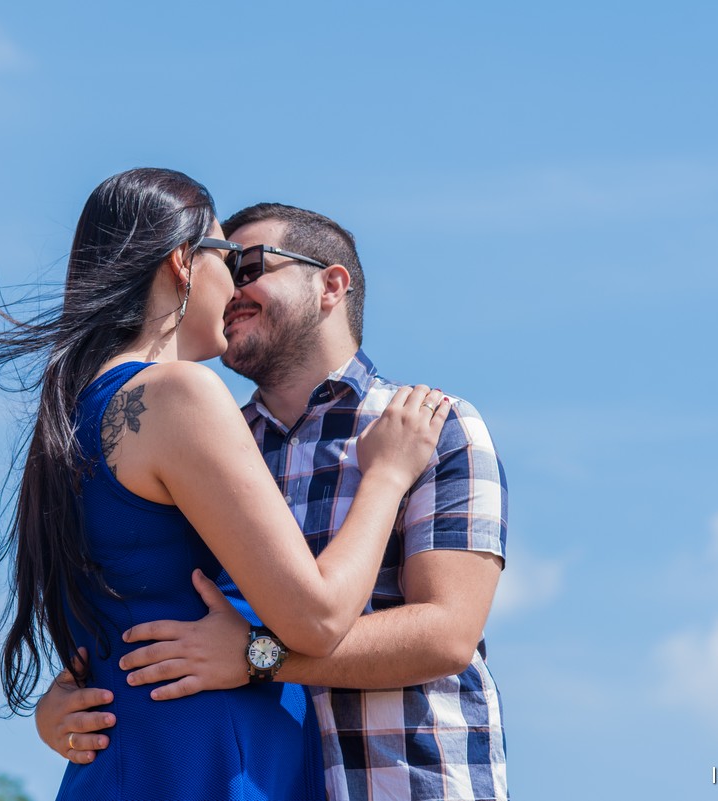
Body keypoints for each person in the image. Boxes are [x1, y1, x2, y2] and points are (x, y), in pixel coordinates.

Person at [0, 170, 449, 800]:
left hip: (132, 758)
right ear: (182, 263)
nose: (236, 286)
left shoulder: (72, 413)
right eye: (228, 260)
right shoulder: (178, 394)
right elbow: (319, 618)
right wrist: (386, 475)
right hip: (208, 763)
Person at [38, 202, 511, 800]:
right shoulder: (198, 439)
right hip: (262, 779)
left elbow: (446, 635)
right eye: (223, 265)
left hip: (406, 782)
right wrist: (65, 700)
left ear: (330, 284)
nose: (229, 286)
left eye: (250, 265)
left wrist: (258, 656)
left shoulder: (430, 427)